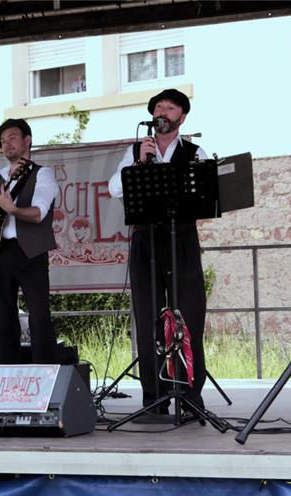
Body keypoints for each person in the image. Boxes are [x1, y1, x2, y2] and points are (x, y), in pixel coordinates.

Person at [109, 88, 208, 415]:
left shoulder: (196, 152)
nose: (163, 112)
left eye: (170, 107)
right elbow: (114, 188)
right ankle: (153, 396)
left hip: (182, 242)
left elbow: (208, 193)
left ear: (182, 116)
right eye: (158, 108)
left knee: (189, 317)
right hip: (146, 242)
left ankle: (190, 393)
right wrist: (138, 162)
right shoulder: (136, 151)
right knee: (148, 319)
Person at [0, 118, 58, 364]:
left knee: (39, 319)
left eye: (12, 138)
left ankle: (44, 379)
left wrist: (13, 209)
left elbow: (38, 213)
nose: (7, 145)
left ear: (28, 140)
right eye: (3, 142)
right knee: (3, 319)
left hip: (31, 253)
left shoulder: (42, 174)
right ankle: (7, 377)